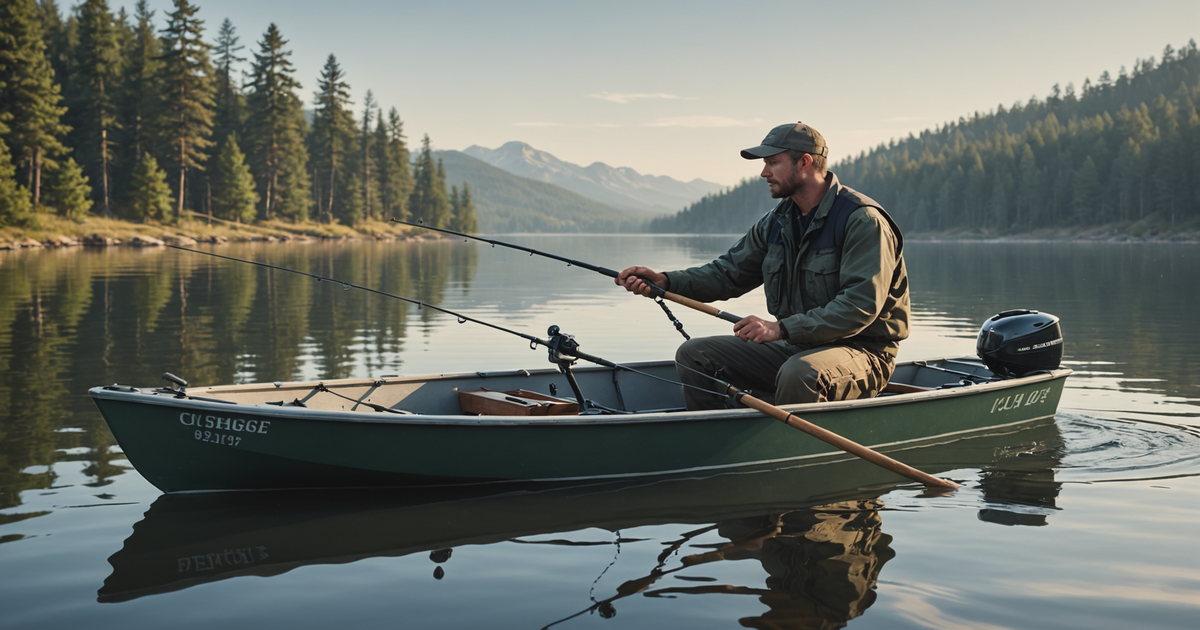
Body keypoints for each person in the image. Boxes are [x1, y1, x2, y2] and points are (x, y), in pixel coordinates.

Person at [616, 121, 910, 410]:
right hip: (798, 346)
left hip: (864, 353)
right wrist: (666, 281)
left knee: (801, 373)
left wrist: (780, 329)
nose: (763, 172)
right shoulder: (777, 221)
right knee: (695, 354)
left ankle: (788, 453)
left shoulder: (862, 221)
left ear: (804, 162)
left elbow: (858, 306)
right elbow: (726, 273)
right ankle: (717, 444)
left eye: (772, 162)